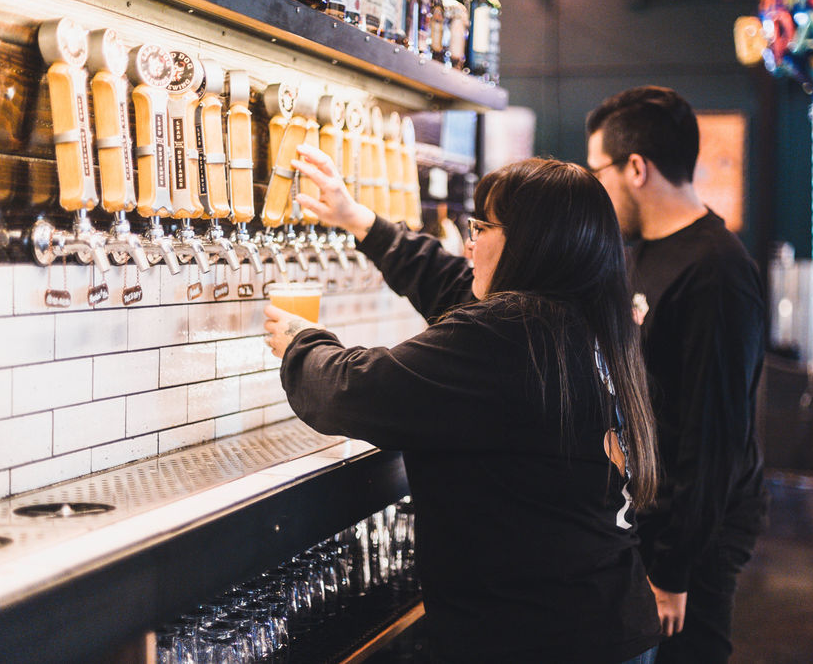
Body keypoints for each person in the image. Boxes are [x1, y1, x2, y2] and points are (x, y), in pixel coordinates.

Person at [265, 145, 662, 663]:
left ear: (529, 246)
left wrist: (302, 342)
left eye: (480, 230)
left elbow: (352, 392)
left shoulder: (509, 335)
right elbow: (452, 283)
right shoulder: (589, 316)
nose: (469, 246)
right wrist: (358, 220)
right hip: (606, 619)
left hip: (537, 640)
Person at [586, 86, 767, 664]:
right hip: (653, 520)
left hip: (696, 538)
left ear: (635, 167)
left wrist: (673, 568)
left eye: (598, 171)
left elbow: (713, 438)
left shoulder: (716, 270)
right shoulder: (642, 253)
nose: (596, 188)